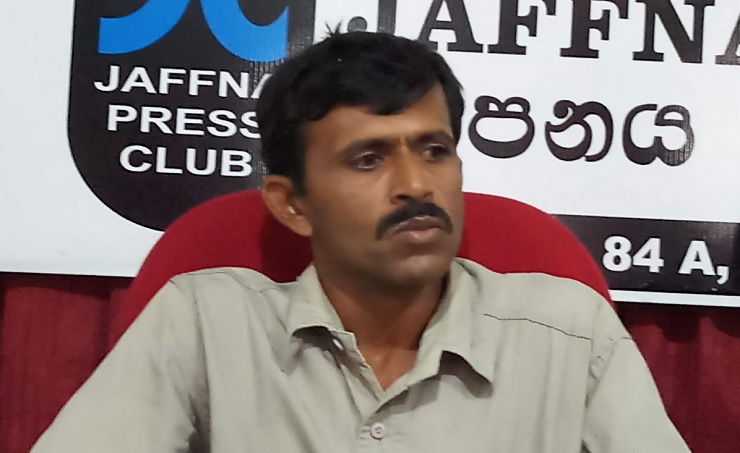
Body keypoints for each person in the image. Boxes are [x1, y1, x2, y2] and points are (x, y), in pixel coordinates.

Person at [32, 31, 690, 453]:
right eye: (368, 159)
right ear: (292, 204)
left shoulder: (570, 334)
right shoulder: (205, 323)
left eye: (434, 150)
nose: (416, 184)